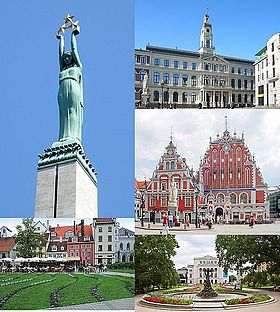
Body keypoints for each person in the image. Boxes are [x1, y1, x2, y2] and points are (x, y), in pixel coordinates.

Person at [56, 26, 83, 143]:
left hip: (73, 88)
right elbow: (60, 52)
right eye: (65, 57)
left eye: (68, 56)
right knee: (63, 114)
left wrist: (73, 35)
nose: (66, 58)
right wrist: (61, 39)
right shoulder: (62, 68)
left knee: (72, 110)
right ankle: (63, 137)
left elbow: (74, 49)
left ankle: (73, 136)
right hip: (62, 89)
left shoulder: (77, 67)